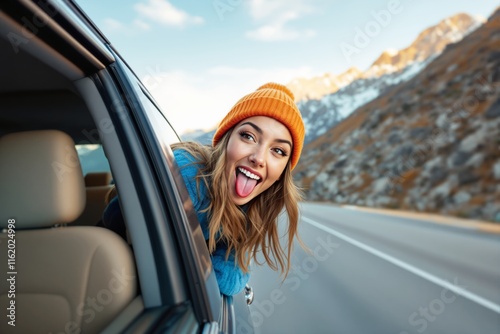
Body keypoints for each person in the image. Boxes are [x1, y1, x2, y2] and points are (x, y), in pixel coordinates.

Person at [103, 82, 305, 296]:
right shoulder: (187, 173)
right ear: (225, 140)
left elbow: (230, 276)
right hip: (108, 271)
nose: (258, 158)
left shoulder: (251, 209)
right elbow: (153, 253)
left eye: (278, 151)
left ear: (283, 170)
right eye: (248, 136)